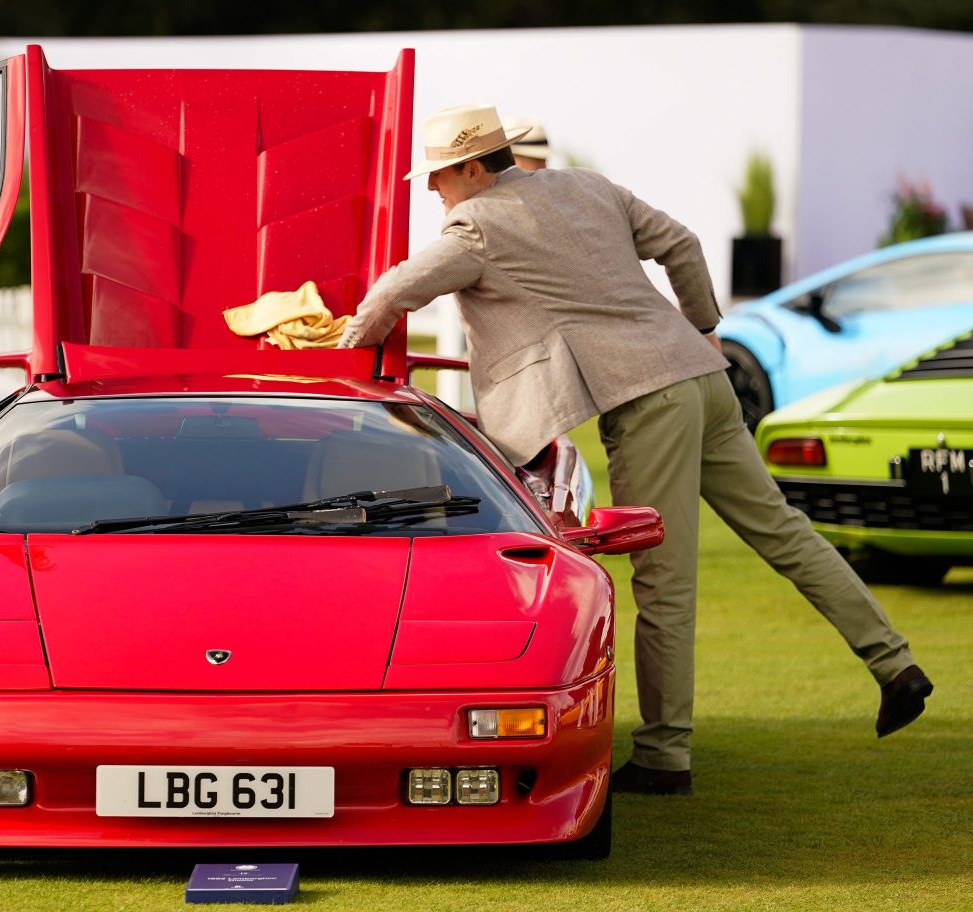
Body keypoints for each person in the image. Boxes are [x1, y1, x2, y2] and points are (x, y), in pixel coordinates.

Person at [339, 103, 932, 795]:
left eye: (437, 176)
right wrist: (704, 328)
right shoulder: (589, 185)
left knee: (662, 583)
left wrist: (349, 346)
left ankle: (662, 757)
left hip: (648, 400)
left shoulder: (475, 225)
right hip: (702, 378)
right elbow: (681, 243)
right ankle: (896, 664)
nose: (431, 191)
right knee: (785, 532)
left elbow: (395, 291)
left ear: (474, 168)